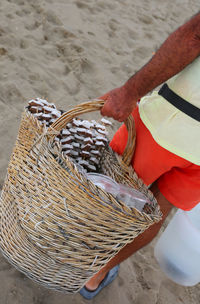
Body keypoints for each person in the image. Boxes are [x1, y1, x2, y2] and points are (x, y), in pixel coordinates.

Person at [80, 12, 200, 299]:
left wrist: (129, 92)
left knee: (108, 188)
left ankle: (68, 254)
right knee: (155, 211)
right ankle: (95, 275)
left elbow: (193, 37)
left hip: (174, 118)